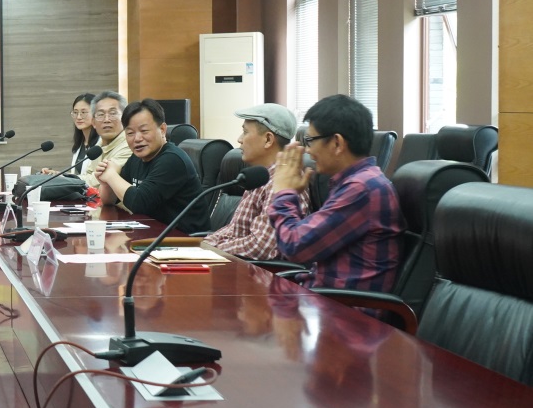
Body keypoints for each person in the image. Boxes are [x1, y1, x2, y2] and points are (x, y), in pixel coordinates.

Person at [268, 94, 404, 291]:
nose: (307, 150)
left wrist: (284, 192)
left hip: (342, 308)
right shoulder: (354, 183)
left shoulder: (362, 188)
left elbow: (294, 246)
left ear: (337, 143)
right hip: (322, 300)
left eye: (310, 140)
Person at [203, 103, 308, 260]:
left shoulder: (283, 182)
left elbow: (262, 246)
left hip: (261, 273)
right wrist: (205, 246)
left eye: (245, 132)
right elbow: (234, 231)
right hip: (237, 265)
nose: (239, 139)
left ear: (268, 139)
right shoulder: (260, 177)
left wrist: (213, 250)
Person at [95, 97, 205, 233]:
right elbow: (109, 201)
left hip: (183, 239)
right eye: (130, 133)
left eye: (144, 131)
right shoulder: (137, 158)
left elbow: (139, 203)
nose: (137, 138)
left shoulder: (172, 159)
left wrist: (111, 175)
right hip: (153, 234)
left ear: (162, 129)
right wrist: (106, 182)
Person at [80, 89, 132, 187]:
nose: (107, 120)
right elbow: (89, 174)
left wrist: (66, 180)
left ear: (125, 118)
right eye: (101, 115)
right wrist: (61, 177)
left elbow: (101, 179)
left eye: (113, 113)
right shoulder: (99, 145)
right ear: (93, 122)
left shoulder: (129, 145)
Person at [40, 93, 96, 175]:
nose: (78, 117)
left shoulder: (101, 144)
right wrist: (56, 174)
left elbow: (92, 178)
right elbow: (78, 176)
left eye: (83, 112)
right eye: (75, 112)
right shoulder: (80, 143)